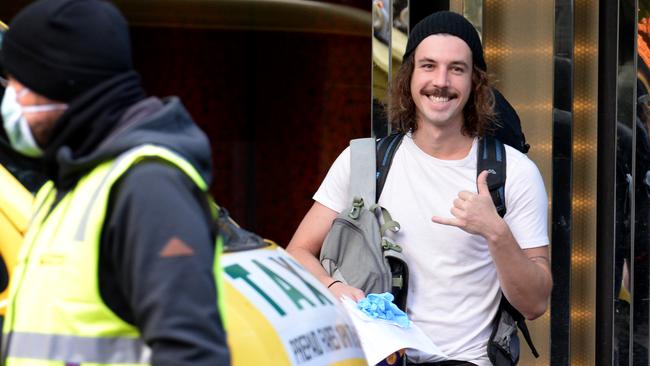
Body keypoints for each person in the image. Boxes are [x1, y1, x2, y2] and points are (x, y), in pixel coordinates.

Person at [286, 11, 552, 365]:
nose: (440, 81)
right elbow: (297, 253)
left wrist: (495, 232)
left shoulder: (513, 173)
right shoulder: (363, 162)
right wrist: (332, 288)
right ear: (409, 76)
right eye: (428, 66)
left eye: (456, 68)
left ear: (475, 81)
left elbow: (535, 304)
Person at [0, 0, 230, 364]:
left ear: (59, 81)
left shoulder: (147, 185)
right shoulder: (66, 185)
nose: (9, 98)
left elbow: (191, 353)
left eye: (17, 82)